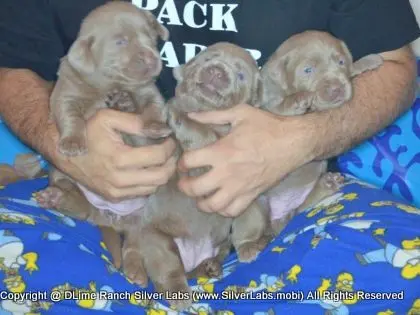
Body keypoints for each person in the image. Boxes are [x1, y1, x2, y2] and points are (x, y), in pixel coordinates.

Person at [0, 1, 419, 314]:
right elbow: (12, 68)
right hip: (94, 201)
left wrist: (298, 140)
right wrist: (63, 142)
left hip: (285, 203)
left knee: (402, 274)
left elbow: (396, 64)